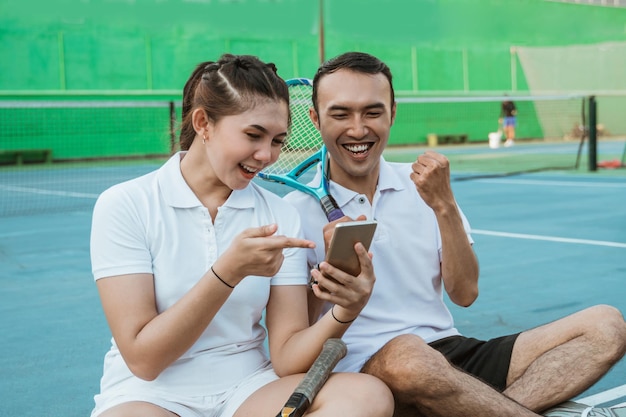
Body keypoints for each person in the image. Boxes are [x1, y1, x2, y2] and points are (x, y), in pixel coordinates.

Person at [284, 51, 626, 417]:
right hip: (367, 373)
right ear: (315, 120)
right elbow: (292, 344)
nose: (357, 129)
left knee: (607, 326)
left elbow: (464, 293)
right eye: (340, 114)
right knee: (408, 356)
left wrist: (444, 205)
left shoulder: (425, 187)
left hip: (448, 351)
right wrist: (330, 277)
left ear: (393, 114)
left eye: (372, 112)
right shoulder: (293, 211)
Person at [89, 53, 395, 417]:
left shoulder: (280, 215)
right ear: (204, 123)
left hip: (248, 388)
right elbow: (144, 360)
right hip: (148, 395)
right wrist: (227, 273)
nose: (266, 155)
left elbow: (287, 357)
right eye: (253, 135)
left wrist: (346, 309)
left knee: (369, 397)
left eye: (278, 140)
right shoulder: (125, 204)